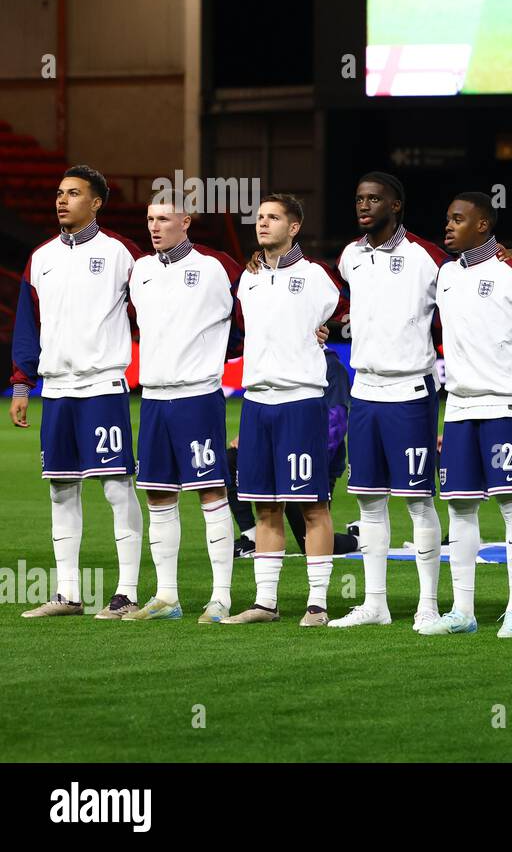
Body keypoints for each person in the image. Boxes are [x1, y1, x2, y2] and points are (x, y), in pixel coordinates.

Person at [12, 166, 146, 619]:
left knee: (115, 487)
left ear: (97, 203)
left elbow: (161, 304)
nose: (62, 200)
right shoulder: (41, 257)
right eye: (59, 193)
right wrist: (20, 382)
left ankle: (126, 593)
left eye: (73, 193)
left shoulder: (121, 254)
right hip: (57, 390)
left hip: (103, 386)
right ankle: (68, 594)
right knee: (60, 489)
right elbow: (28, 325)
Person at [431, 191, 512, 638]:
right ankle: (463, 612)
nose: (448, 225)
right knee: (460, 511)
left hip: (505, 404)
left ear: (483, 225)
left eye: (458, 219)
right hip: (460, 406)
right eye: (448, 218)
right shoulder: (444, 274)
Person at [329, 172, 449, 634]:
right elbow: (344, 303)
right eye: (360, 198)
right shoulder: (350, 256)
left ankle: (428, 606)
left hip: (410, 392)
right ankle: (375, 603)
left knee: (417, 501)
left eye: (374, 199)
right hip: (365, 391)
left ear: (396, 205)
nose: (364, 205)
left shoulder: (427, 257)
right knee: (368, 501)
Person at [221, 194, 343, 627]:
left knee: (312, 504)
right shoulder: (248, 279)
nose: (262, 223)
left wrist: (330, 327)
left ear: (294, 227)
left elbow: (344, 310)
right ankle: (265, 603)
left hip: (300, 400)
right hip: (256, 402)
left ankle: (318, 603)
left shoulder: (316, 277)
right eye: (259, 217)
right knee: (264, 505)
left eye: (273, 218)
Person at [123, 196, 242, 623]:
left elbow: (251, 313)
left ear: (186, 222)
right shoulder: (141, 270)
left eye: (164, 219)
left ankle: (222, 597)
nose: (155, 227)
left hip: (197, 396)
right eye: (150, 219)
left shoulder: (217, 267)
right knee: (159, 495)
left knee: (211, 493)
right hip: (153, 397)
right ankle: (167, 596)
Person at [229, 347, 355, 557]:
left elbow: (335, 427)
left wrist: (311, 462)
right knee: (231, 459)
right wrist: (253, 438)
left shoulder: (332, 368)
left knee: (310, 540)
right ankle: (251, 536)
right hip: (281, 458)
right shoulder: (283, 363)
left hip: (308, 464)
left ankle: (357, 538)